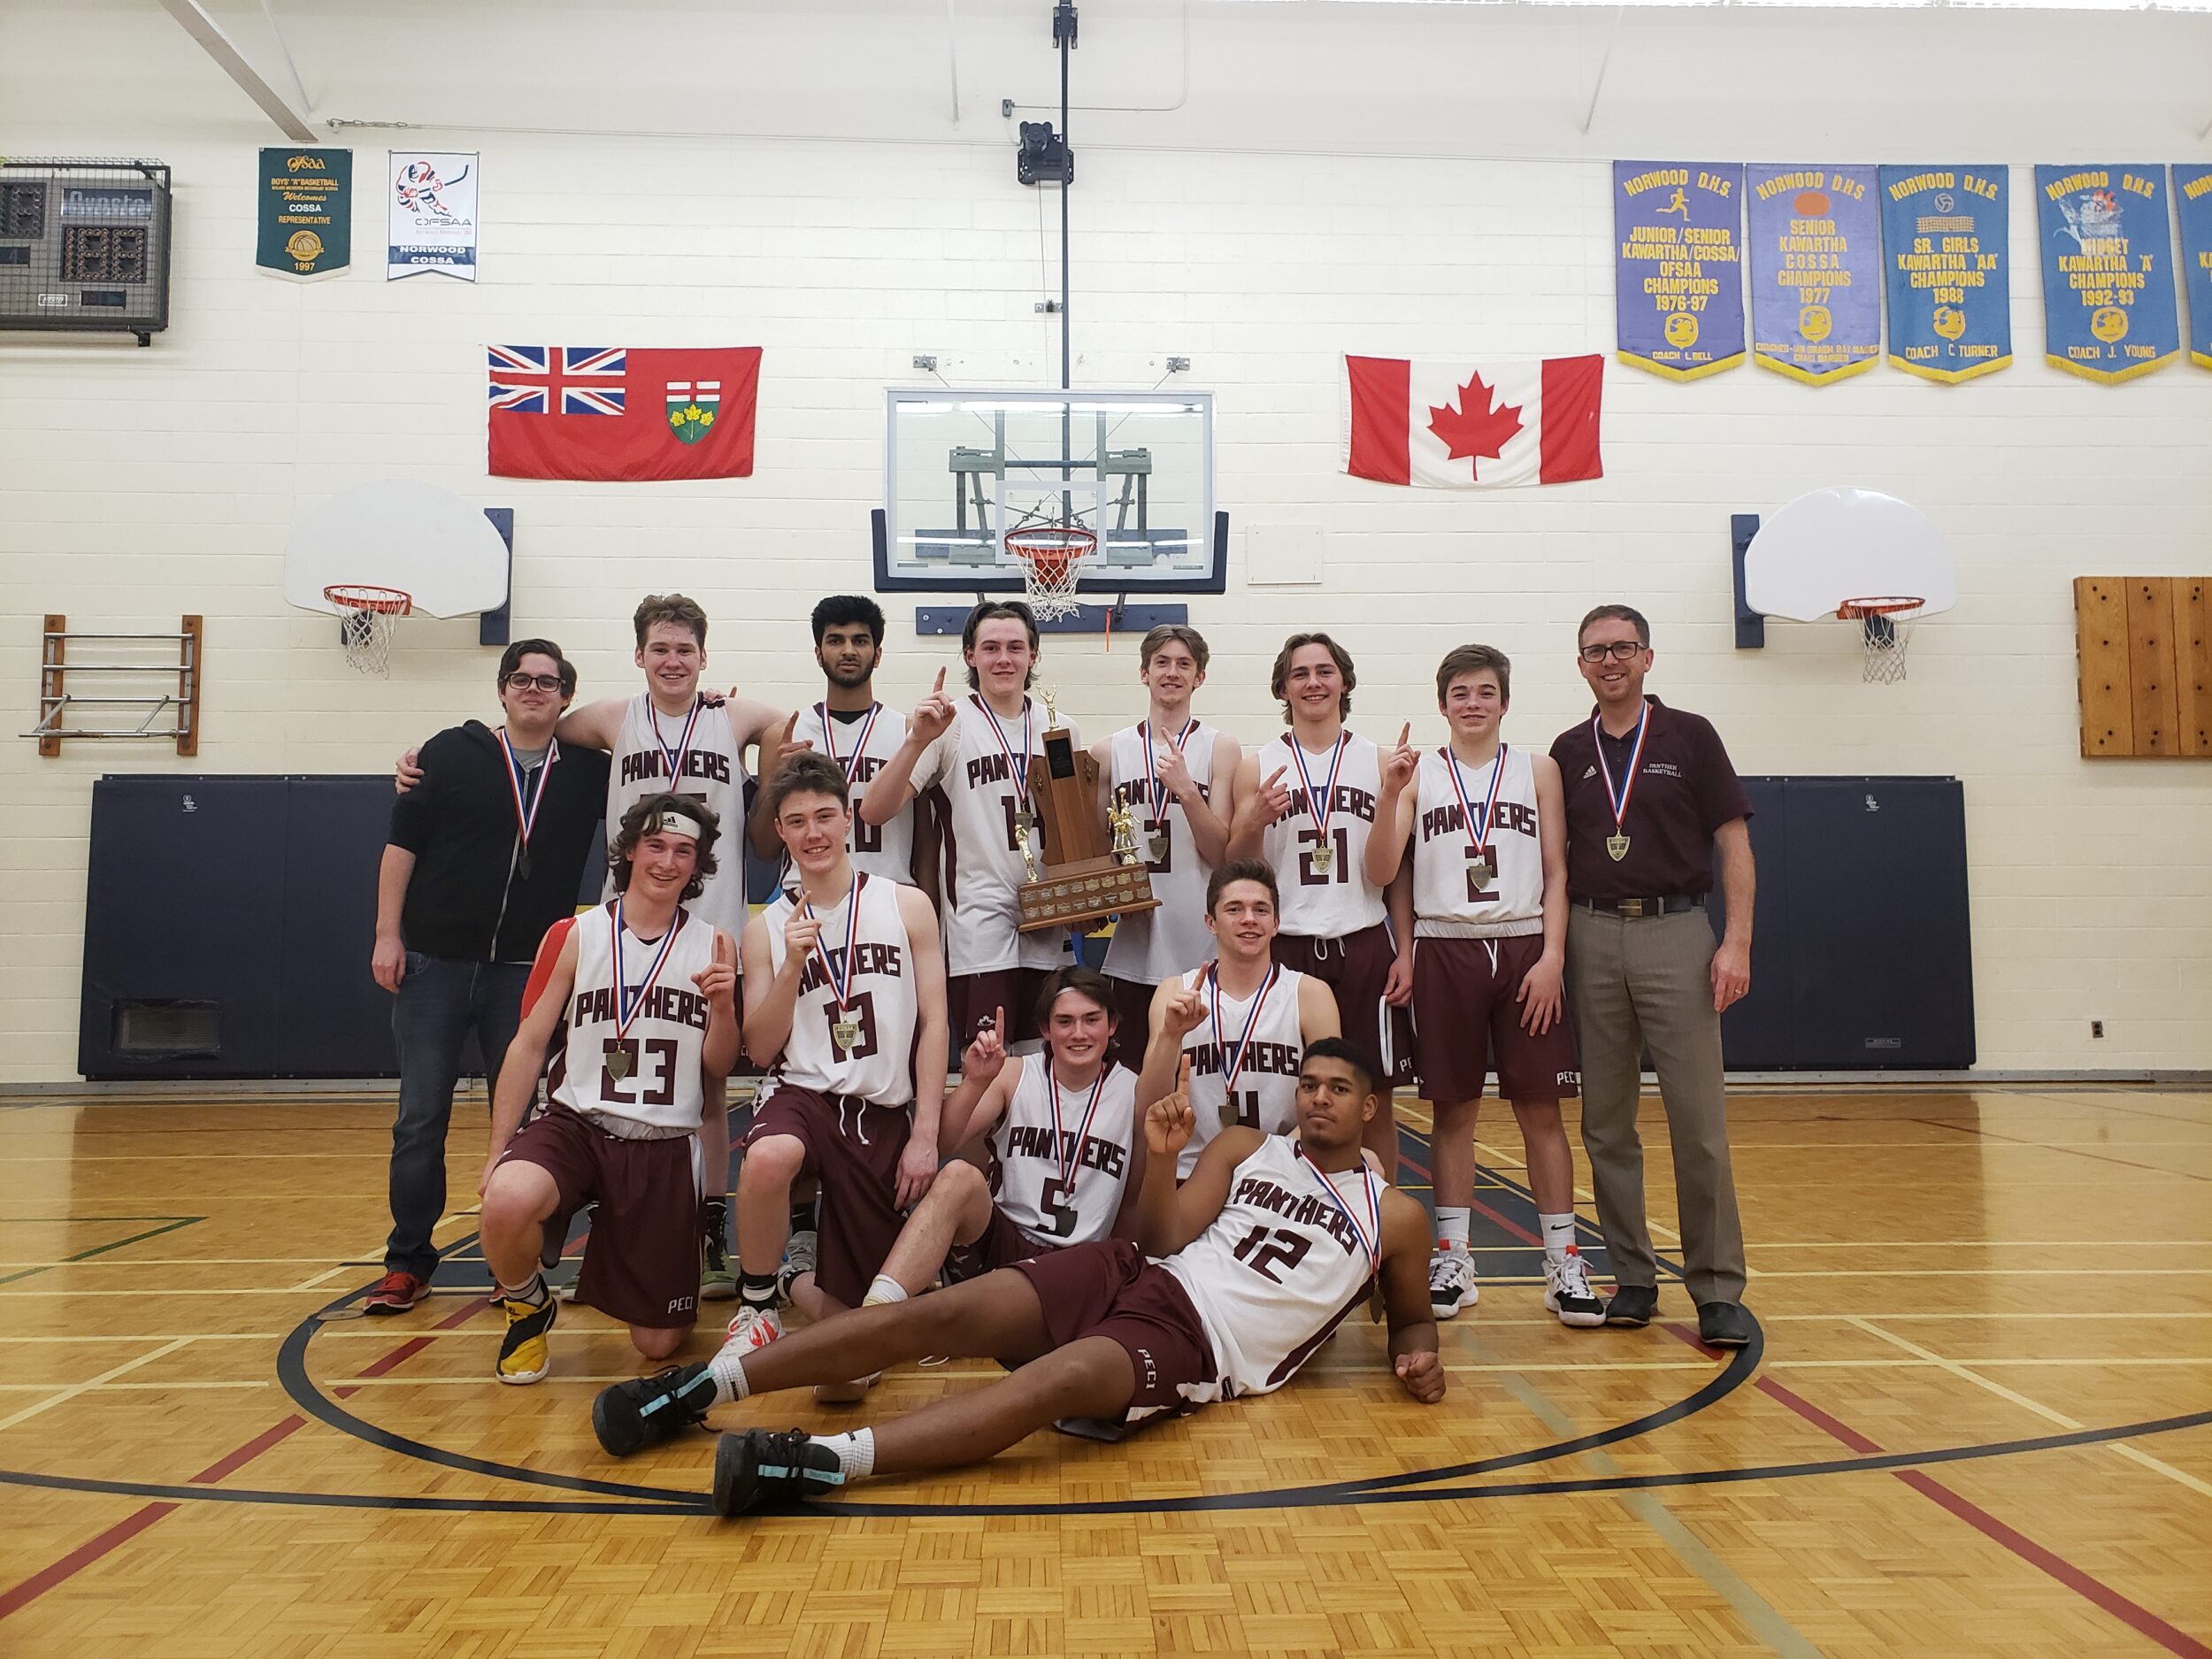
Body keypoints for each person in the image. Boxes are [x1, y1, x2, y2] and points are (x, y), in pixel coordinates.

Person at [587, 1038, 1444, 1517]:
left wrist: (1418, 1356)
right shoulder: (1244, 1146)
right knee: (949, 1310)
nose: (1319, 1099)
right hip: (1135, 1270)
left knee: (1059, 1380)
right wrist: (1157, 1159)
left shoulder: (1395, 1217)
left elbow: (1409, 1322)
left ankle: (815, 1464)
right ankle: (696, 1388)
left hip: (1199, 1343)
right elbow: (1161, 1234)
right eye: (1309, 1085)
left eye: (1338, 1089)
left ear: (1371, 1107)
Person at [399, 595, 786, 1300]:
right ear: (639, 656)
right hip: (622, 929)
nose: (673, 660)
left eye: (686, 650)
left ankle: (705, 1228)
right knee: (587, 1070)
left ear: (705, 658)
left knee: (706, 1088)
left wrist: (759, 750)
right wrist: (430, 758)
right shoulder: (611, 718)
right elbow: (528, 729)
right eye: (660, 649)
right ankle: (568, 1193)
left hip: (708, 927)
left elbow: (783, 725)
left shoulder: (737, 716)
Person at [365, 640, 612, 1316]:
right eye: (522, 679)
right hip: (434, 967)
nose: (534, 689)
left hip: (529, 974)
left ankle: (517, 1263)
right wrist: (389, 933)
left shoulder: (590, 771)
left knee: (535, 1120)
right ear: (502, 691)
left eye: (549, 681)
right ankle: (408, 1260)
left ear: (566, 697)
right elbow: (400, 848)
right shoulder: (446, 754)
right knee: (420, 1117)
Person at [1368, 646, 1602, 1328]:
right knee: (1454, 1112)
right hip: (1444, 946)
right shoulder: (1419, 771)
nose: (1473, 702)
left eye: (1486, 691)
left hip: (1526, 942)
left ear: (1505, 701)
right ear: (1443, 704)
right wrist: (1406, 950)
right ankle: (1452, 1256)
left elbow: (1558, 871)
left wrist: (1554, 954)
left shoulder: (1540, 770)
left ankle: (1564, 1264)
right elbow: (1388, 871)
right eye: (1461, 692)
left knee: (1541, 1110)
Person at [476, 795, 740, 1382]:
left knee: (657, 1345)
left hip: (664, 1141)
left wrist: (722, 1008)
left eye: (683, 851)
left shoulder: (715, 944)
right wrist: (497, 1151)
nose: (667, 861)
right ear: (627, 850)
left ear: (698, 865)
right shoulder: (576, 933)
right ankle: (527, 1306)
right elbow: (527, 1043)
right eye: (655, 845)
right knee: (505, 1198)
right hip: (577, 1125)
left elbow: (718, 1068)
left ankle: (655, 1250)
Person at [1548, 604, 1755, 1348]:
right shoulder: (1567, 751)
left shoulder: (1691, 736)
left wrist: (1736, 941)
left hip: (1677, 933)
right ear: (1580, 665)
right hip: (1592, 935)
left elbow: (1733, 843)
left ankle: (1717, 1288)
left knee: (1698, 1124)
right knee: (1606, 1124)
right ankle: (1633, 1277)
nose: (1610, 660)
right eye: (1596, 651)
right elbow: (1558, 863)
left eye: (1623, 648)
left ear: (1647, 657)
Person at [726, 753, 949, 1397]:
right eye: (796, 822)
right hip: (803, 1092)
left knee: (847, 1382)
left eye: (825, 815)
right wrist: (793, 962)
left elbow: (935, 1024)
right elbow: (763, 1047)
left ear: (848, 818)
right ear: (782, 833)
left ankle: (804, 1273)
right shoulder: (764, 928)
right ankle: (758, 1306)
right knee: (768, 1157)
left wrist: (925, 1133)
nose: (814, 832)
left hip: (880, 1108)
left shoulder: (906, 905)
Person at [1226, 634, 1415, 1174]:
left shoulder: (1383, 761)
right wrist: (1254, 820)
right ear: (1283, 688)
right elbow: (1239, 868)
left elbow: (1382, 873)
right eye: (1300, 673)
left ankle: (1377, 1227)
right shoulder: (1255, 764)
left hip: (1360, 942)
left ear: (1345, 682)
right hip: (1286, 949)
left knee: (1371, 1098)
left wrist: (1389, 797)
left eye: (1325, 671)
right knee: (1288, 1093)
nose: (1313, 682)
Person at [859, 601, 1071, 1048]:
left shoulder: (1058, 727)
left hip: (1049, 918)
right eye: (990, 647)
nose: (1004, 659)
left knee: (1044, 1065)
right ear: (970, 656)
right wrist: (918, 739)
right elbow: (873, 811)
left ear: (1034, 655)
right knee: (986, 1065)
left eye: (1016, 647)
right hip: (978, 923)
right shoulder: (949, 724)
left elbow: (1074, 824)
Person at [872, 966, 1145, 1297]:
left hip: (1080, 1263)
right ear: (1045, 1029)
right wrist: (976, 1081)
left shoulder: (1134, 1092)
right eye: (1064, 1021)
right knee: (958, 1175)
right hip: (1003, 1247)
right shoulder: (1015, 1074)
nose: (1079, 1033)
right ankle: (878, 1308)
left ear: (1112, 1025)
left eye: (1091, 1019)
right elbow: (944, 1143)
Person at [1133, 859, 1340, 1179]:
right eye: (1234, 909)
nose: (1248, 920)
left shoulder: (1310, 994)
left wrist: (1274, 1162)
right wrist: (1171, 1036)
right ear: (1211, 922)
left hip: (1283, 1171)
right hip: (1192, 1171)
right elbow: (1147, 1106)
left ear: (1276, 923)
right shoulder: (1175, 991)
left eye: (1260, 910)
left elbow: (1332, 1102)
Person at [1092, 626, 1242, 1042]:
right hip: (1135, 941)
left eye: (1184, 664)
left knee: (1201, 1076)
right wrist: (1118, 891)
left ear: (1200, 677)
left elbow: (1221, 854)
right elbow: (1096, 851)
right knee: (1135, 1072)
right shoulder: (1109, 751)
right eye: (1162, 662)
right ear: (1144, 672)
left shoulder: (1221, 748)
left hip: (1201, 939)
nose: (1171, 672)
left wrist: (1188, 791)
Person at [749, 595, 922, 888]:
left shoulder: (909, 732)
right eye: (835, 641)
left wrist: (925, 906)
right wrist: (778, 784)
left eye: (860, 641)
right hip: (806, 897)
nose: (848, 651)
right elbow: (764, 849)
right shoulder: (783, 736)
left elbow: (925, 840)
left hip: (889, 895)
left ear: (877, 654)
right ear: (818, 654)